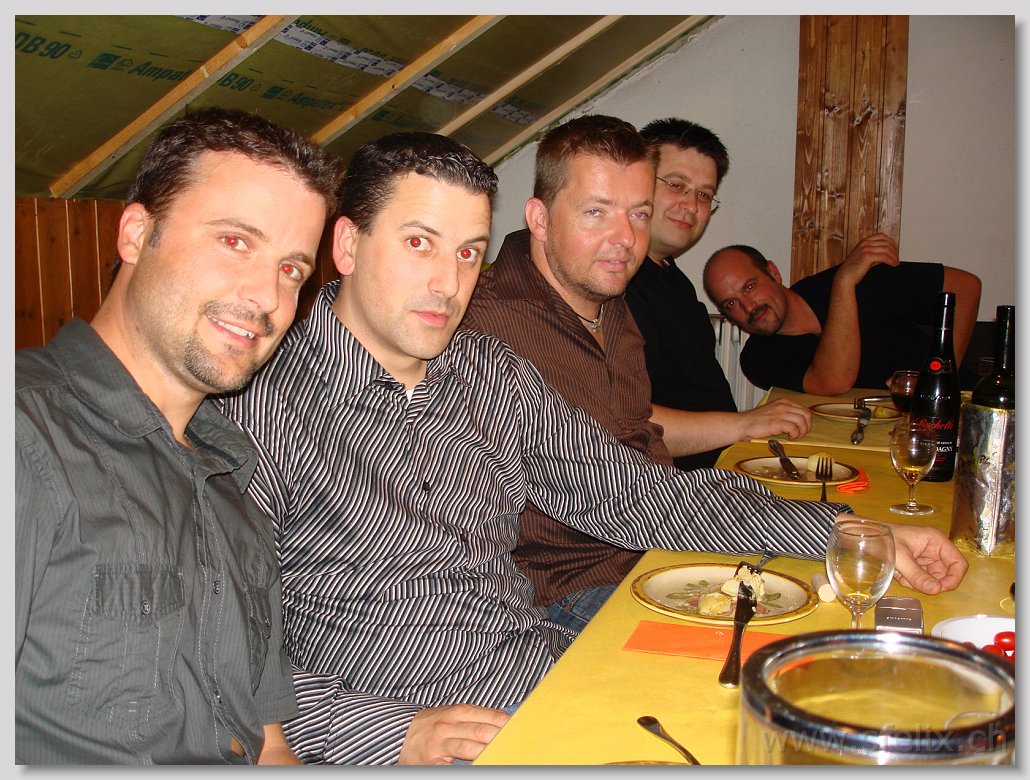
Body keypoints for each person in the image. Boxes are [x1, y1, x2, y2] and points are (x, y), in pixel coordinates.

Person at [219, 129, 968, 766]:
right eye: (420, 243)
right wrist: (392, 734)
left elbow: (636, 495)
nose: (448, 283)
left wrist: (851, 533)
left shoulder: (486, 372)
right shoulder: (256, 408)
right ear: (348, 244)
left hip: (542, 671)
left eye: (470, 252)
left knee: (816, 710)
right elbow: (215, 654)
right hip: (414, 725)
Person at [15, 107, 342, 764]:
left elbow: (269, 745)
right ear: (137, 234)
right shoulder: (26, 435)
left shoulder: (232, 484)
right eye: (235, 241)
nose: (267, 297)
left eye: (291, 269)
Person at [462, 115, 805, 633]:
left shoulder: (609, 300)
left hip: (654, 550)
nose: (625, 238)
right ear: (539, 218)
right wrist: (842, 533)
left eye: (639, 214)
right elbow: (624, 498)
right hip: (568, 589)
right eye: (596, 212)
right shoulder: (486, 328)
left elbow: (637, 428)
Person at [624, 117, 812, 471]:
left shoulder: (672, 279)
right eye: (676, 185)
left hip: (722, 467)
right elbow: (627, 425)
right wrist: (746, 424)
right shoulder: (618, 283)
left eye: (704, 194)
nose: (691, 205)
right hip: (672, 487)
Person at [702, 236, 982, 394]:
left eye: (750, 287)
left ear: (773, 273)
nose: (748, 307)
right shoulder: (758, 358)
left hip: (960, 408)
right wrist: (844, 285)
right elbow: (833, 382)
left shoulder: (861, 280)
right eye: (731, 304)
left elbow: (965, 287)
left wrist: (938, 378)